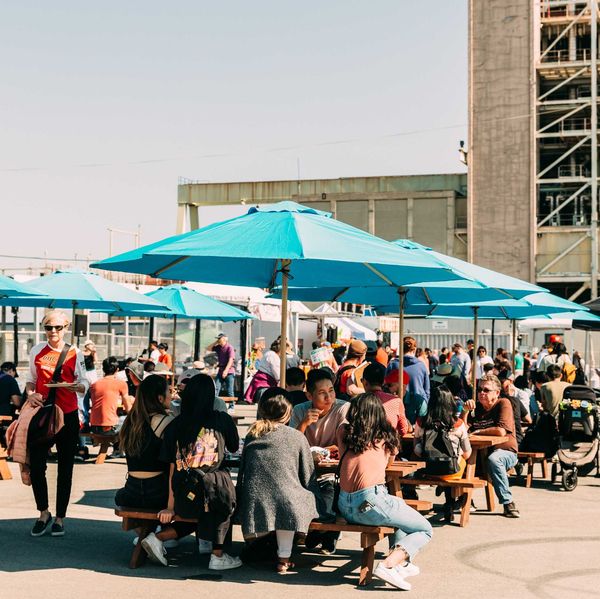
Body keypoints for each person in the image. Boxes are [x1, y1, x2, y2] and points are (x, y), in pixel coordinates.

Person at [337, 393, 432, 591]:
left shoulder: (343, 432)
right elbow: (388, 465)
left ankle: (400, 564)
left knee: (399, 516)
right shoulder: (386, 435)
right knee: (425, 529)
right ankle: (388, 565)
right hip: (371, 501)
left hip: (344, 504)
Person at [159, 373, 242, 570]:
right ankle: (217, 555)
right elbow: (233, 446)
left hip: (183, 497)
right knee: (224, 495)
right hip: (213, 495)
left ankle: (159, 538)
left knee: (210, 499)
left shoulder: (174, 425)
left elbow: (172, 467)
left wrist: (171, 507)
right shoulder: (221, 420)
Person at [24, 310, 89, 537]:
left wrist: (75, 387)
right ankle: (43, 512)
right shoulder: (37, 350)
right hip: (43, 413)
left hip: (68, 414)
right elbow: (30, 380)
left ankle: (60, 517)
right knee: (38, 466)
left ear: (66, 328)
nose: (53, 332)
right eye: (48, 327)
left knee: (66, 468)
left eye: (58, 327)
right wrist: (30, 393)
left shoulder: (74, 352)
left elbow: (84, 383)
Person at [237, 393, 318, 573]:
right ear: (288, 414)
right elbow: (307, 474)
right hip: (286, 500)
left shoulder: (253, 433)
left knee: (283, 497)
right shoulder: (296, 436)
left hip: (254, 498)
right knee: (290, 499)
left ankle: (261, 544)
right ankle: (283, 559)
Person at [290, 368, 350, 555]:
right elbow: (291, 444)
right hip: (307, 468)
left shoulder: (342, 408)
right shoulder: (300, 410)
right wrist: (304, 424)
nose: (329, 397)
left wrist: (328, 450)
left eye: (331, 391)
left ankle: (325, 532)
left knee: (329, 489)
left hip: (334, 469)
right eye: (322, 393)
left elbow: (344, 443)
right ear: (309, 395)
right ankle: (318, 529)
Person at [463, 374, 520, 518]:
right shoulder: (477, 409)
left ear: (497, 393)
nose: (481, 393)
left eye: (486, 390)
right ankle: (462, 499)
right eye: (480, 389)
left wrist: (478, 431)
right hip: (481, 454)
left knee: (495, 460)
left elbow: (501, 431)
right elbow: (463, 430)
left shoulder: (503, 403)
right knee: (459, 458)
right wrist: (465, 411)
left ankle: (508, 503)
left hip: (506, 452)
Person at [413, 385, 472, 522]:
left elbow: (416, 449)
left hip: (430, 469)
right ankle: (452, 501)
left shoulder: (421, 422)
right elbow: (467, 453)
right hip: (452, 471)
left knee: (439, 463)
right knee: (460, 462)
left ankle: (446, 495)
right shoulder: (458, 424)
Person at [387, 336, 430, 424]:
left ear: (401, 349)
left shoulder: (393, 364)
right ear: (414, 349)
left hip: (396, 408)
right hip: (417, 409)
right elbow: (427, 390)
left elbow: (386, 387)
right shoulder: (421, 366)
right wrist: (424, 403)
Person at [362, 362, 410, 436]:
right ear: (383, 382)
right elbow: (403, 430)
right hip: (388, 444)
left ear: (365, 382)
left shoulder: (357, 401)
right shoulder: (396, 401)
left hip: (364, 444)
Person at [90, 358, 133, 435]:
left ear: (103, 369)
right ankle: (119, 446)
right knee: (128, 420)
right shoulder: (121, 383)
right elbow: (128, 408)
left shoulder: (94, 385)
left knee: (105, 444)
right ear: (117, 370)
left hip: (94, 426)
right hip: (109, 427)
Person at [244, 339, 280, 403]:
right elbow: (276, 371)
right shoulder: (273, 355)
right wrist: (279, 380)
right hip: (265, 384)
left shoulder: (268, 353)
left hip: (261, 382)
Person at [208, 334, 236, 398]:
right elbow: (208, 348)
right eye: (218, 339)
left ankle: (231, 406)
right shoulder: (218, 347)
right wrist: (215, 342)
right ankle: (214, 403)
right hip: (220, 370)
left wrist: (226, 371)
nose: (218, 340)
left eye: (219, 339)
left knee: (230, 390)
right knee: (216, 388)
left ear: (224, 339)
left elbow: (231, 360)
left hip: (229, 371)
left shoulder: (229, 347)